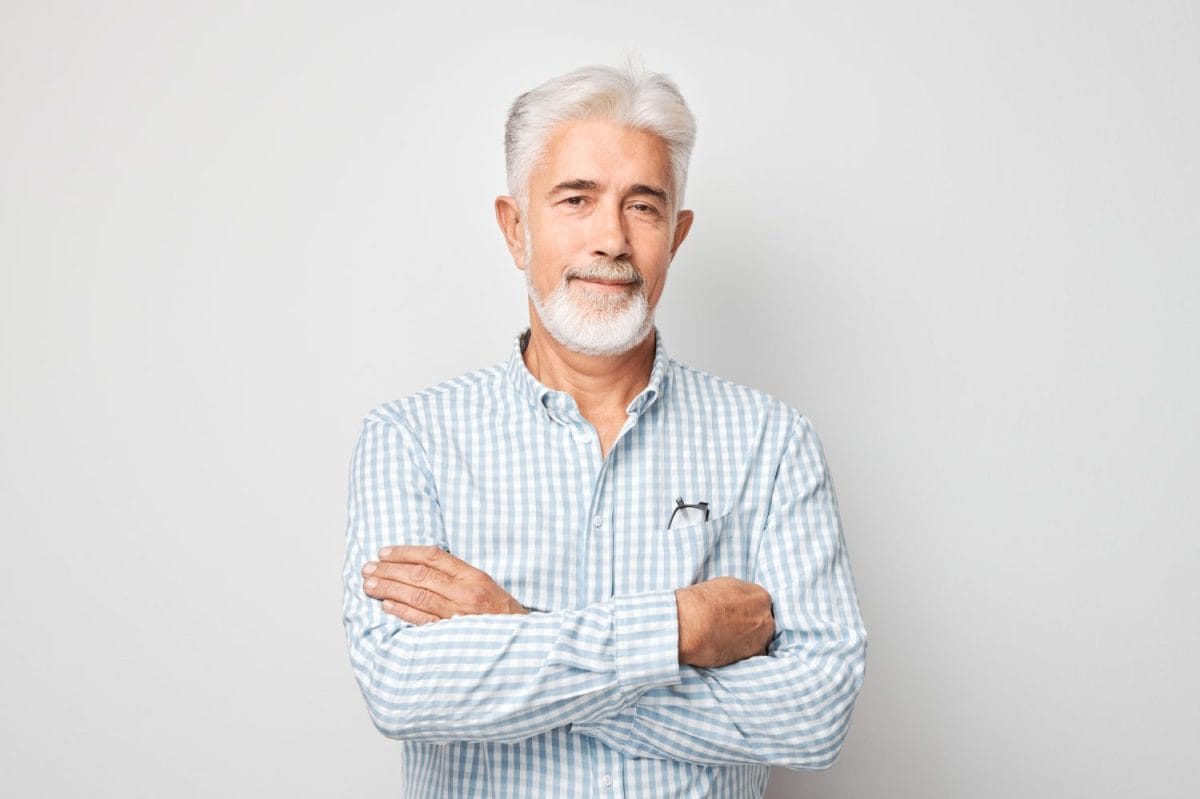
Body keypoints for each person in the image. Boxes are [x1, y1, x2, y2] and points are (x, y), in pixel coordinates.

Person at [342, 63, 866, 798]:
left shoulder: (771, 443)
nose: (611, 239)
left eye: (643, 207)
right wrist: (676, 632)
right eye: (576, 200)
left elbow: (816, 714)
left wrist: (516, 628)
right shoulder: (412, 438)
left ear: (676, 237)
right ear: (515, 227)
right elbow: (404, 689)